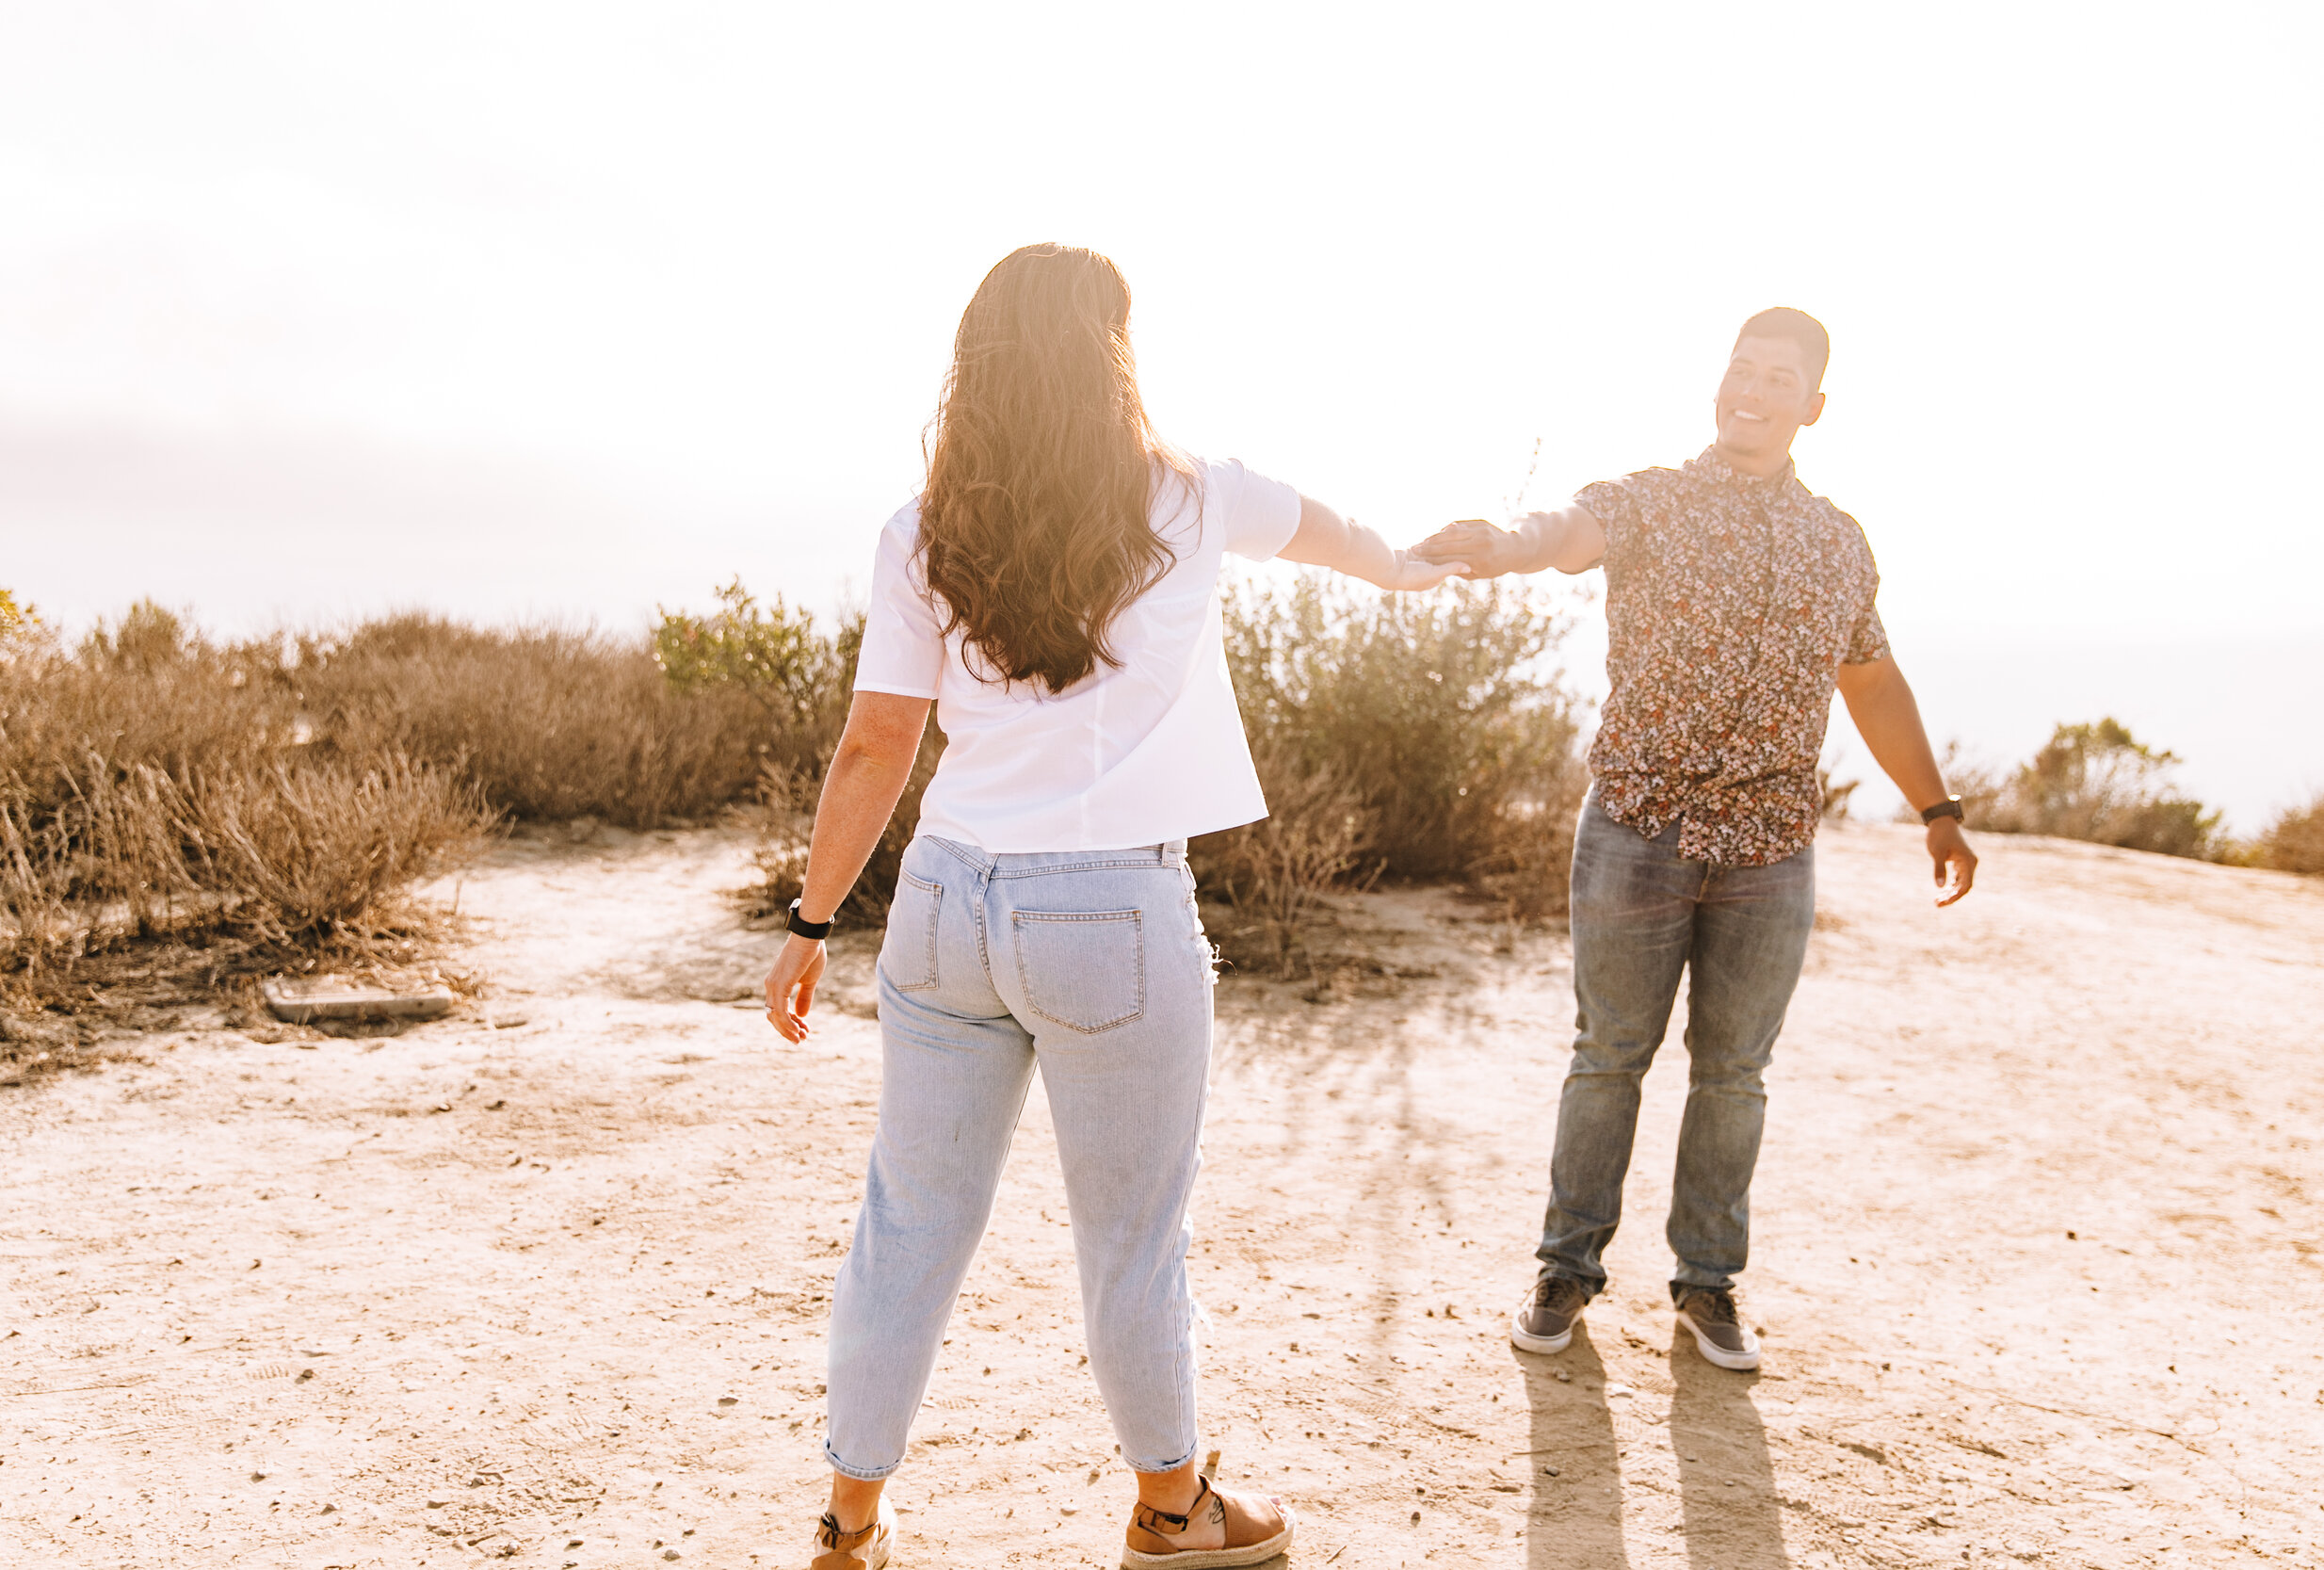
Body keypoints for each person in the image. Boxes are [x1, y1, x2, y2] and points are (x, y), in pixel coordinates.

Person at [765, 242, 1466, 1570]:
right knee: (1132, 1234)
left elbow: (874, 743)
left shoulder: (922, 529)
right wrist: (1425, 569)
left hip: (943, 898)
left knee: (907, 1219)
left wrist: (810, 923)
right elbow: (1350, 543)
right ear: (1112, 354)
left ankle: (848, 1519)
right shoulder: (1194, 498)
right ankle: (1171, 1506)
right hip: (1108, 909)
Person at [1412, 308, 1977, 1373]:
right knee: (1608, 1057)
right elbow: (1565, 530)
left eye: (1778, 378)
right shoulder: (1654, 502)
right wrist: (1503, 543)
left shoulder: (1838, 542)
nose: (1752, 391)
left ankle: (1708, 1286)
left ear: (1813, 406)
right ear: (1718, 384)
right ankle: (1564, 1267)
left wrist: (1936, 810)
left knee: (1735, 1075)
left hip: (1770, 847)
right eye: (1740, 370)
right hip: (1637, 828)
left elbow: (1870, 678)